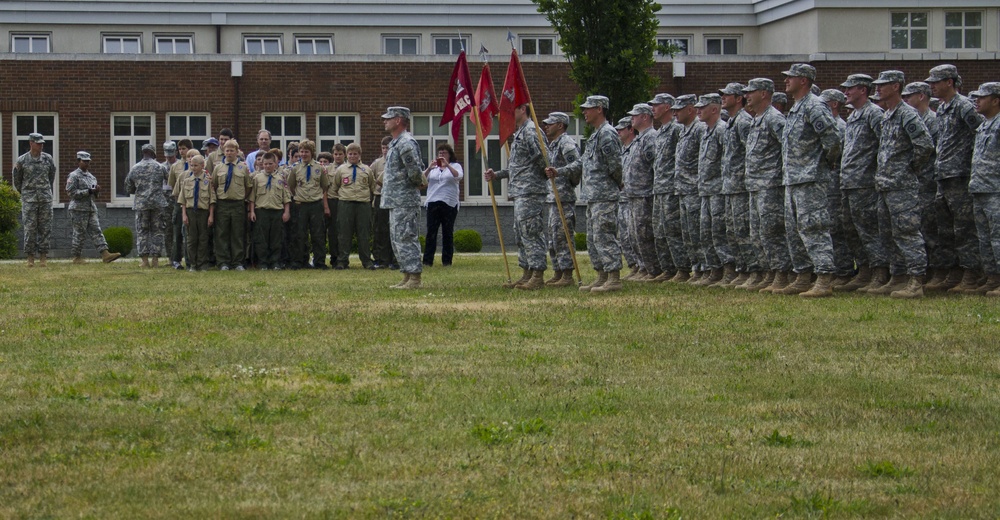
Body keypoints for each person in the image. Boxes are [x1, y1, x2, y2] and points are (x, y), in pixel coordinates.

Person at [547, 95, 624, 293]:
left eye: (588, 108)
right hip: (593, 196)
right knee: (593, 238)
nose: (584, 112)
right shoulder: (595, 135)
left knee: (604, 235)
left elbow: (615, 165)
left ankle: (614, 277)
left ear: (599, 109)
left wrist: (614, 185)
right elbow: (582, 164)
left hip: (604, 195)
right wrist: (560, 171)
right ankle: (602, 276)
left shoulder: (607, 134)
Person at [778, 64, 842, 298]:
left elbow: (833, 139)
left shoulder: (815, 106)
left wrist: (824, 164)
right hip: (793, 180)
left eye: (791, 77)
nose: (786, 81)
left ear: (803, 80)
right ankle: (803, 276)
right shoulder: (797, 108)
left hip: (810, 179)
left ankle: (824, 278)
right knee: (795, 230)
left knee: (814, 228)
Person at [871, 70, 934, 298]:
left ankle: (916, 282)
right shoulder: (888, 115)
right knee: (888, 234)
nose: (878, 88)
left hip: (901, 186)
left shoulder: (907, 114)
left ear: (896, 86)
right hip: (885, 186)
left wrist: (909, 169)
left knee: (907, 233)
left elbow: (925, 145)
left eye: (883, 85)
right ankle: (897, 277)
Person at [925, 64, 985, 293]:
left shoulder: (964, 107)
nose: (932, 86)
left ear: (949, 82)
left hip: (959, 176)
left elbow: (980, 134)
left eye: (936, 82)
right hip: (943, 176)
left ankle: (971, 273)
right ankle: (952, 272)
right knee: (946, 229)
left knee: (964, 228)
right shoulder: (942, 108)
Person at [486, 103, 549, 290]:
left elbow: (543, 159)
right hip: (521, 192)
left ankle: (537, 275)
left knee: (531, 232)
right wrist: (497, 174)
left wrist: (537, 179)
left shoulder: (531, 131)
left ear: (523, 109)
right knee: (521, 233)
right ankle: (527, 273)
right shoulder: (521, 132)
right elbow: (519, 167)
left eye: (512, 108)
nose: (509, 113)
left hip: (530, 192)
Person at [837, 73, 889, 293]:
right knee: (851, 230)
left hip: (865, 183)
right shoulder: (854, 116)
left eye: (851, 88)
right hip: (849, 183)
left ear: (863, 90)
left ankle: (880, 272)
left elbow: (885, 146)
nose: (846, 92)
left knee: (868, 229)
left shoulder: (874, 114)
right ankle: (865, 270)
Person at [742, 78, 790, 293]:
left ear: (764, 94)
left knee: (772, 231)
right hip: (754, 185)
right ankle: (768, 272)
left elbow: (786, 150)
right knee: (757, 233)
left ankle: (781, 274)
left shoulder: (775, 119)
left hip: (770, 185)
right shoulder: (756, 119)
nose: (747, 96)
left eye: (751, 92)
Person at [718, 83, 761, 288]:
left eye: (728, 95)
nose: (723, 98)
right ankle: (742, 270)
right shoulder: (732, 122)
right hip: (730, 186)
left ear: (738, 99)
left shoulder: (744, 122)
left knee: (744, 231)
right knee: (733, 231)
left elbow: (750, 152)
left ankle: (754, 271)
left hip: (741, 186)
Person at [380, 106, 426, 289]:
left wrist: (417, 183)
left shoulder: (406, 142)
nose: (385, 121)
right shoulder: (396, 143)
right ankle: (407, 275)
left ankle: (415, 278)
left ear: (398, 120)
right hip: (396, 200)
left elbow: (414, 171)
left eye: (388, 118)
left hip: (405, 200)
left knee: (406, 237)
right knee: (398, 238)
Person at [693, 94, 732, 286]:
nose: (698, 110)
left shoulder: (722, 130)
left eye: (703, 107)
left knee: (719, 232)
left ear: (714, 109)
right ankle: (714, 271)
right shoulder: (707, 131)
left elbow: (728, 161)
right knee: (706, 233)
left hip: (717, 190)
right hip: (706, 191)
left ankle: (728, 271)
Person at [649, 93, 687, 283]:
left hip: (672, 187)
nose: (653, 108)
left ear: (667, 107)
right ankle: (668, 268)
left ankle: (682, 268)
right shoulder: (661, 131)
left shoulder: (676, 129)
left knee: (673, 230)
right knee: (660, 231)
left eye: (656, 105)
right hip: (660, 188)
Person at [622, 103, 661, 282]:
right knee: (634, 234)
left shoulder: (651, 137)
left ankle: (652, 269)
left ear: (645, 117)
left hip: (645, 195)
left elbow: (655, 166)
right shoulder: (639, 138)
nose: (632, 119)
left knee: (644, 233)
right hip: (634, 195)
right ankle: (643, 267)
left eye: (635, 115)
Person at [541, 111, 581, 286]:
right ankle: (557, 271)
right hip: (553, 197)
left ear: (560, 125)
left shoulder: (566, 142)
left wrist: (560, 172)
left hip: (563, 197)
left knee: (563, 236)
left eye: (550, 123)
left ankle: (567, 275)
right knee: (553, 237)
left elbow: (577, 165)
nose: (546, 126)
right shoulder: (553, 144)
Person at [969, 82, 1000, 296]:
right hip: (980, 188)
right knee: (985, 238)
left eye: (982, 97)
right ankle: (992, 277)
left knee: (998, 237)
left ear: (996, 100)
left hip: (996, 190)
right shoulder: (984, 125)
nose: (977, 101)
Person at [672, 94, 707, 282]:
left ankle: (706, 269)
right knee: (688, 233)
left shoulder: (700, 129)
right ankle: (697, 269)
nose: (675, 112)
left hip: (694, 189)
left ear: (690, 109)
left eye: (679, 108)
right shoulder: (684, 130)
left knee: (697, 232)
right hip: (683, 190)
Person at [65, 151, 121, 264]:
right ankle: (76, 257)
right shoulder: (74, 176)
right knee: (79, 233)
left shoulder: (91, 177)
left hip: (91, 208)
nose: (86, 164)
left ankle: (105, 254)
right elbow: (71, 193)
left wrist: (96, 192)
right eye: (84, 161)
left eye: (88, 161)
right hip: (78, 209)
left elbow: (94, 194)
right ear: (78, 161)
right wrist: (88, 191)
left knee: (96, 231)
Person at [11, 132, 56, 267]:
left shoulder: (48, 159)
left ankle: (43, 257)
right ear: (31, 143)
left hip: (45, 199)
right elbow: (17, 180)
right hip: (29, 200)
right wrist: (25, 193)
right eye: (38, 143)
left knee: (45, 228)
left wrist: (44, 190)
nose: (41, 146)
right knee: (30, 228)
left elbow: (51, 177)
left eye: (42, 143)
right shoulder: (22, 160)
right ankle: (30, 257)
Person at [287, 139, 331, 270]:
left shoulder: (319, 168)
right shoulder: (295, 168)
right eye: (301, 151)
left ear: (312, 152)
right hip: (300, 205)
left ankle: (319, 262)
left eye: (306, 151)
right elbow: (291, 185)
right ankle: (299, 261)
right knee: (299, 235)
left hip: (316, 205)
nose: (303, 154)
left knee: (318, 234)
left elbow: (324, 186)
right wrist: (300, 196)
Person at [124, 143, 170, 268]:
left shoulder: (135, 168)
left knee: (142, 232)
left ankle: (144, 261)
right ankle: (155, 260)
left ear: (143, 153)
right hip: (158, 204)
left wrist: (139, 190)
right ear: (153, 153)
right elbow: (169, 181)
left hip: (141, 204)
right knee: (158, 231)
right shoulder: (160, 167)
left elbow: (128, 187)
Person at [332, 143, 376, 270]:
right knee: (344, 233)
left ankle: (367, 261)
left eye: (355, 154)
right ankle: (342, 261)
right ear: (347, 155)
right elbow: (335, 187)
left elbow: (372, 187)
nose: (352, 156)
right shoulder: (341, 170)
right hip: (346, 204)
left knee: (364, 233)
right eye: (350, 154)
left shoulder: (367, 169)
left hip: (363, 204)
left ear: (359, 155)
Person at [211, 139, 251, 271]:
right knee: (222, 234)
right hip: (222, 204)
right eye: (227, 150)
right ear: (224, 151)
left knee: (237, 234)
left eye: (232, 150)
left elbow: (248, 186)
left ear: (237, 152)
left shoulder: (243, 168)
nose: (229, 153)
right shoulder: (218, 168)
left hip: (238, 204)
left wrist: (241, 198)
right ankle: (223, 262)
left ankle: (237, 262)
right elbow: (214, 185)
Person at [422, 143, 463, 267]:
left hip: (449, 202)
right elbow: (421, 179)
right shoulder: (433, 168)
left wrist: (447, 165)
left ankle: (447, 261)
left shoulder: (455, 166)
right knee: (431, 232)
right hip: (433, 201)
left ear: (449, 155)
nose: (441, 155)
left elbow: (458, 176)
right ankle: (427, 261)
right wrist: (429, 168)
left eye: (444, 153)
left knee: (447, 232)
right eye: (440, 153)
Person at [248, 152, 291, 270]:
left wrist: (286, 212)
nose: (267, 166)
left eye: (270, 164)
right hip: (261, 211)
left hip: (277, 211)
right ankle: (263, 262)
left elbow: (286, 197)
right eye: (265, 164)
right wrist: (251, 212)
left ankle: (275, 262)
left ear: (276, 164)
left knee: (276, 239)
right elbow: (252, 197)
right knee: (261, 239)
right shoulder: (257, 178)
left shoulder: (281, 178)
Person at [615, 117, 640, 280]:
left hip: (634, 197)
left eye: (621, 129)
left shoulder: (636, 146)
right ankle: (634, 266)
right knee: (625, 236)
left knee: (635, 234)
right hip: (623, 198)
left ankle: (642, 265)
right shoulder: (623, 150)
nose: (618, 132)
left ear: (631, 130)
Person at [371, 136, 397, 269]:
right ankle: (381, 259)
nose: (385, 150)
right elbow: (370, 181)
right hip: (380, 197)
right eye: (383, 148)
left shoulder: (398, 162)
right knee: (380, 229)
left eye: (388, 147)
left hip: (394, 199)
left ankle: (394, 259)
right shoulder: (377, 163)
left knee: (394, 229)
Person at [325, 143, 347, 268]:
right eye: (335, 154)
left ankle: (343, 258)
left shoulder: (348, 167)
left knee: (344, 231)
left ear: (344, 154)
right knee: (333, 231)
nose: (338, 156)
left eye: (340, 154)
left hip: (345, 200)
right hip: (332, 200)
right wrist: (326, 206)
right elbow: (325, 189)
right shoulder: (328, 169)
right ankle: (334, 257)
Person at [161, 141, 179, 262]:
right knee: (167, 229)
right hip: (165, 197)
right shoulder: (161, 167)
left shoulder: (180, 165)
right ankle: (170, 257)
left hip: (177, 197)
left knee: (178, 229)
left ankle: (178, 255)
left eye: (171, 154)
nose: (169, 157)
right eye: (167, 155)